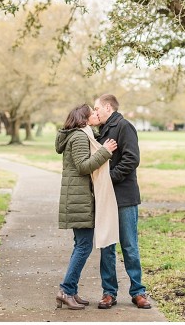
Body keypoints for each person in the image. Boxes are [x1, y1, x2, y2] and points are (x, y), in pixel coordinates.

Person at [55, 104, 118, 310]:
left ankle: (70, 291)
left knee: (80, 245)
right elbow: (83, 166)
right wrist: (105, 152)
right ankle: (65, 290)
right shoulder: (80, 137)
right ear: (84, 119)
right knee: (83, 246)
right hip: (79, 199)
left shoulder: (79, 134)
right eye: (92, 113)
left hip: (77, 197)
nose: (95, 114)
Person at [93, 93, 152, 309]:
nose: (95, 112)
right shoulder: (100, 132)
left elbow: (132, 159)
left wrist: (109, 179)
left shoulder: (124, 126)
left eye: (97, 108)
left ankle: (138, 291)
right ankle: (109, 293)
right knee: (107, 246)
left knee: (129, 246)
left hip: (125, 197)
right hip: (105, 199)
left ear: (108, 108)